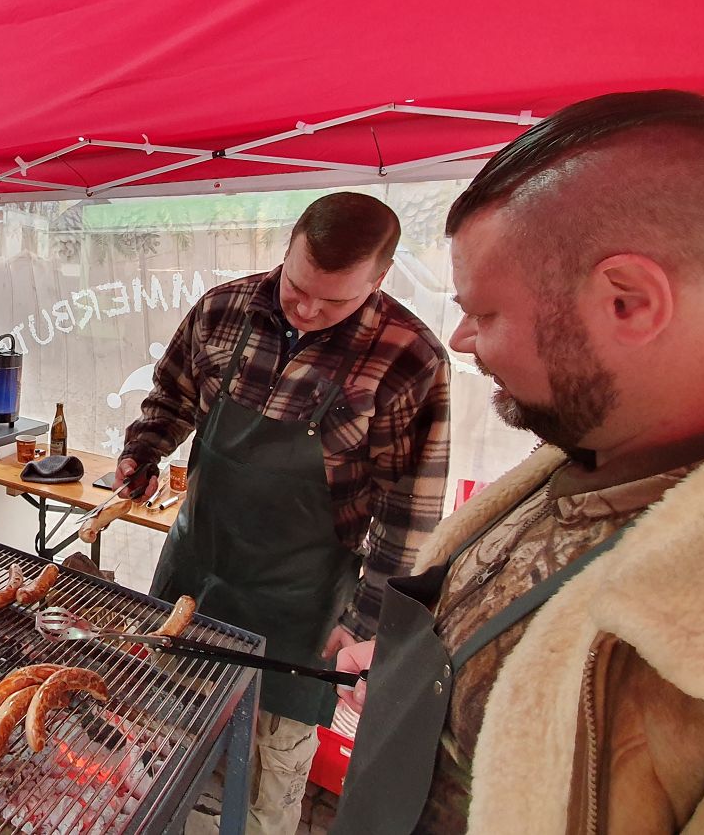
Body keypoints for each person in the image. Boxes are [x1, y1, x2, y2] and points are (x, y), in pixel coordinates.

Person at [330, 90, 704, 835]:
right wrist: (417, 665)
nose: (461, 338)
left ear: (628, 302)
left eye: (485, 312)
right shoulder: (610, 434)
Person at [115, 192, 452, 835]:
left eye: (334, 301)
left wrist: (368, 624)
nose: (307, 310)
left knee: (263, 784)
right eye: (297, 287)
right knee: (162, 748)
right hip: (195, 570)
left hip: (300, 607)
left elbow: (409, 513)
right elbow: (171, 396)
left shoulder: (410, 357)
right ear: (289, 247)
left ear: (380, 278)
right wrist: (145, 451)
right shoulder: (223, 308)